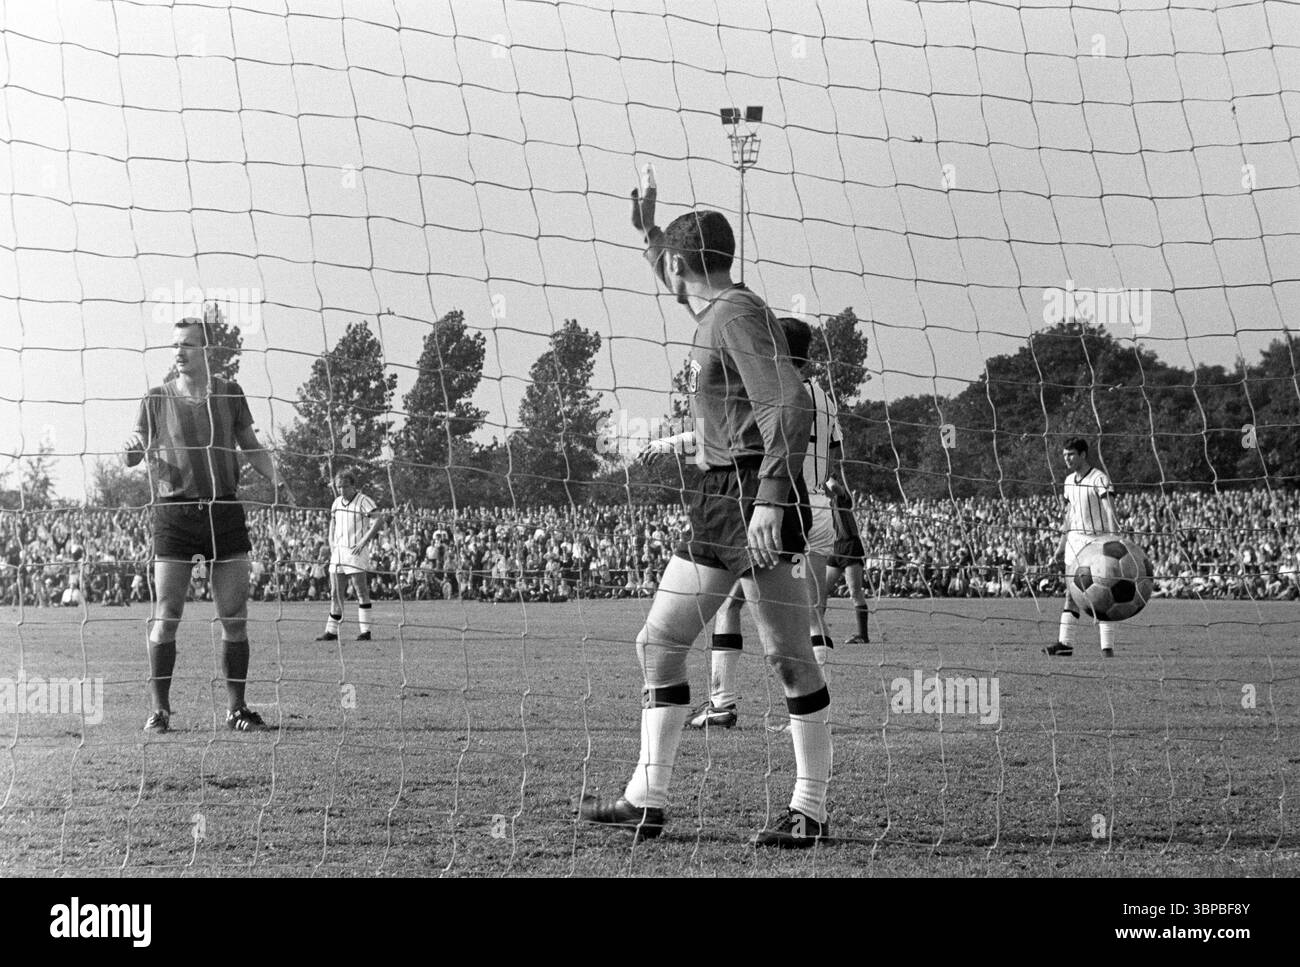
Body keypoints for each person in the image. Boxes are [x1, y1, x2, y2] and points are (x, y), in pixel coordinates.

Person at [578, 171, 833, 847]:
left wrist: (771, 499)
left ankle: (809, 808)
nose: (669, 275)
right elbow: (682, 278)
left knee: (787, 657)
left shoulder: (740, 315)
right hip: (717, 497)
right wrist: (651, 235)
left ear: (689, 266)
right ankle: (646, 797)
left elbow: (790, 402)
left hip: (752, 492)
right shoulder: (714, 309)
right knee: (658, 642)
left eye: (671, 264)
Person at [660, 316, 844, 732]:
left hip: (780, 502)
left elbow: (733, 441)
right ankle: (815, 713)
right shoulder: (825, 397)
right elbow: (833, 457)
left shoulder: (768, 388)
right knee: (812, 615)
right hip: (819, 508)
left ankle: (723, 703)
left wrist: (675, 443)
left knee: (732, 606)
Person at [124, 317, 296, 733]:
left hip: (224, 511)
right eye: (174, 346)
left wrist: (279, 480)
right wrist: (130, 452)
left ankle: (237, 708)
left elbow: (251, 446)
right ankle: (160, 711)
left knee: (234, 616)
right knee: (167, 614)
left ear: (206, 351)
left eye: (186, 345)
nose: (178, 352)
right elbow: (133, 453)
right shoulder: (155, 398)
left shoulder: (231, 394)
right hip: (175, 515)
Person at [1047, 437, 1121, 657]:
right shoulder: (1068, 481)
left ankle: (1107, 648)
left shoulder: (1099, 479)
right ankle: (1065, 644)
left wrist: (1113, 537)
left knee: (1103, 593)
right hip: (1074, 544)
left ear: (1082, 455)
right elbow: (1069, 517)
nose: (1067, 459)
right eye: (1064, 455)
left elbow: (1110, 510)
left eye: (1070, 454)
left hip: (1097, 544)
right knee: (1072, 593)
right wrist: (1060, 547)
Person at [316, 469, 386, 642]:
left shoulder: (363, 501)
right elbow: (333, 522)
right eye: (339, 487)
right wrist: (331, 542)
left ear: (353, 486)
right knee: (335, 592)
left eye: (345, 487)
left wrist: (363, 542)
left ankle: (365, 631)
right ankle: (331, 631)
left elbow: (378, 519)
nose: (342, 490)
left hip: (355, 552)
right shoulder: (336, 503)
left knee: (359, 589)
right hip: (338, 552)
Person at [824, 477, 870, 644]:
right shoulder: (821, 503)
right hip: (835, 548)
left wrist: (826, 474)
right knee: (822, 590)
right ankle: (817, 631)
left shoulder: (843, 498)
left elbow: (835, 486)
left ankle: (863, 636)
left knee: (855, 592)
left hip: (850, 546)